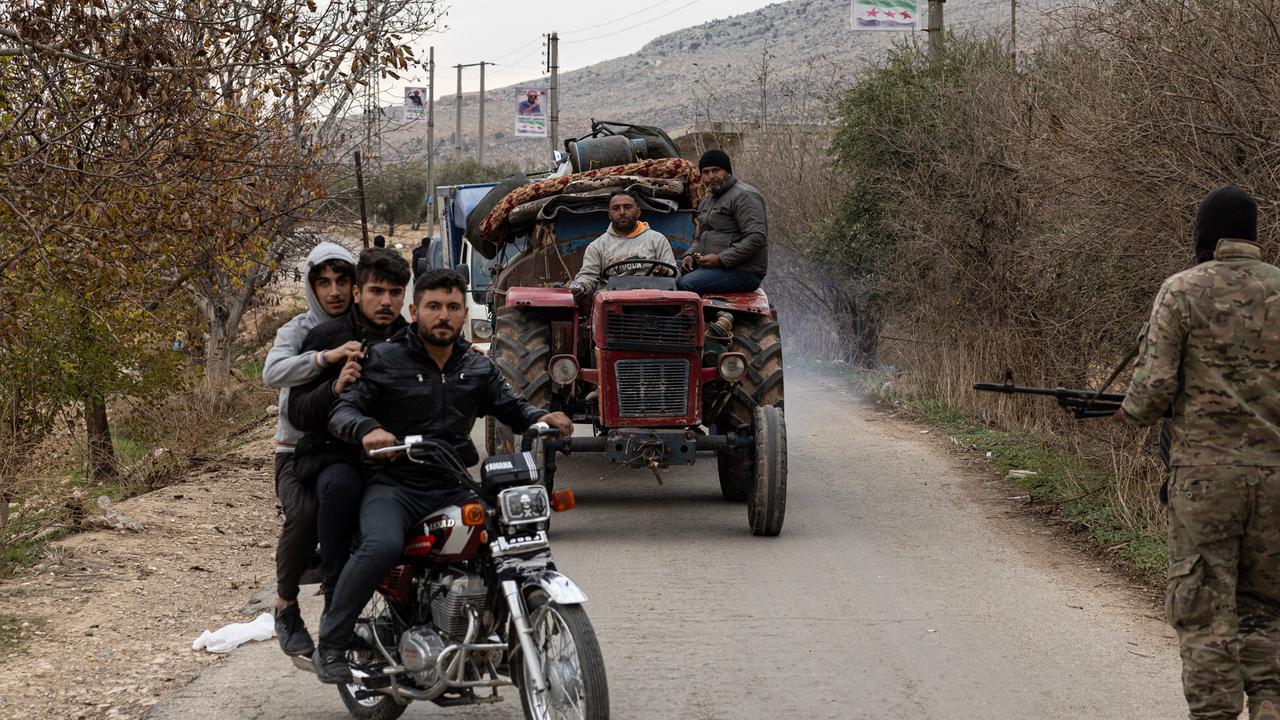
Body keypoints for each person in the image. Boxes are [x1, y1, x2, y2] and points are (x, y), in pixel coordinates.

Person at [311, 269, 573, 683]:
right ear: (415, 312)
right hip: (395, 485)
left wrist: (542, 417)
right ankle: (332, 643)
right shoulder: (382, 359)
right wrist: (367, 430)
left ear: (464, 313)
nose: (444, 315)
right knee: (382, 545)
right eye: (434, 306)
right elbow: (342, 411)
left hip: (451, 483)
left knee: (505, 540)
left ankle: (504, 643)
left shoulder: (475, 365)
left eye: (453, 307)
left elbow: (512, 407)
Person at [1116, 185, 1280, 720]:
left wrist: (1127, 409)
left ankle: (1215, 713)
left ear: (1205, 235)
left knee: (1206, 608)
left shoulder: (1181, 291)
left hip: (1206, 482)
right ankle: (1271, 703)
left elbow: (1150, 396)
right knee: (1267, 607)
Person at [286, 248, 411, 630]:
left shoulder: (412, 339)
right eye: (376, 291)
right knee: (340, 484)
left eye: (394, 292)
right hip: (332, 454)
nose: (386, 301)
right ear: (358, 293)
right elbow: (299, 412)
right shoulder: (326, 337)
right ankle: (335, 591)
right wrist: (334, 389)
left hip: (394, 455)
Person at [260, 241, 359, 657]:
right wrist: (326, 357)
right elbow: (273, 371)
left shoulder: (365, 325)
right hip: (296, 452)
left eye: (342, 281)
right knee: (302, 514)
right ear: (311, 287)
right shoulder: (298, 330)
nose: (334, 291)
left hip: (348, 449)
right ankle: (286, 607)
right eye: (324, 283)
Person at [676, 148, 768, 295]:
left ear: (728, 171)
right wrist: (690, 254)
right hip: (714, 267)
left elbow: (756, 237)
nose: (710, 176)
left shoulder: (744, 196)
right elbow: (701, 237)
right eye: (705, 172)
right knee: (667, 272)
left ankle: (687, 319)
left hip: (743, 271)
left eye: (716, 170)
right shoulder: (707, 200)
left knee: (685, 284)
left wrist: (721, 259)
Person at [572, 189, 677, 297]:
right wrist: (581, 285)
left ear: (638, 212)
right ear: (609, 215)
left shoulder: (657, 239)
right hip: (613, 300)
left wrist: (665, 271)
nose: (622, 212)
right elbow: (588, 276)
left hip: (652, 297)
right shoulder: (596, 246)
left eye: (627, 207)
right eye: (616, 208)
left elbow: (675, 274)